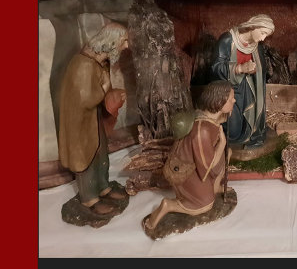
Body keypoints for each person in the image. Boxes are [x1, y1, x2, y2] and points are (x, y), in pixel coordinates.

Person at [58, 23, 130, 216]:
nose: (126, 46)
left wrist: (113, 95)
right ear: (111, 42)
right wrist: (105, 89)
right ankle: (89, 198)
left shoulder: (99, 62)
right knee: (87, 158)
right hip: (81, 124)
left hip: (94, 120)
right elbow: (85, 99)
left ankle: (103, 187)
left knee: (101, 154)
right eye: (123, 41)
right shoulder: (83, 65)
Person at [146, 81, 235, 230]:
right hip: (186, 172)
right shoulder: (202, 131)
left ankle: (214, 187)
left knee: (228, 153)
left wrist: (226, 113)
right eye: (231, 98)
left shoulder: (206, 115)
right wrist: (222, 143)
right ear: (220, 101)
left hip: (198, 164)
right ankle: (169, 205)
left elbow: (219, 119)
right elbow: (209, 165)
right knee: (205, 204)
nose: (234, 100)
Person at [211, 14, 275, 149]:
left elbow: (260, 71)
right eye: (262, 33)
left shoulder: (256, 46)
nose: (263, 38)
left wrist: (254, 70)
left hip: (249, 88)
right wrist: (239, 68)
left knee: (251, 123)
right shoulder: (228, 40)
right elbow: (215, 67)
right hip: (229, 90)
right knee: (233, 131)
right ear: (253, 26)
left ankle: (252, 134)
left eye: (266, 35)